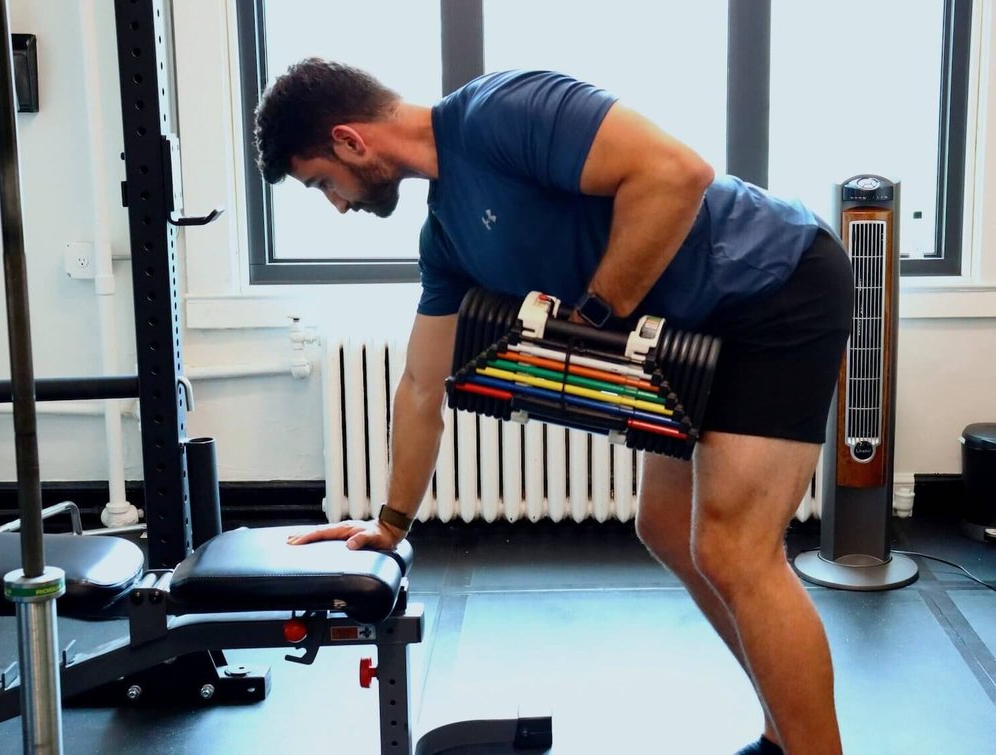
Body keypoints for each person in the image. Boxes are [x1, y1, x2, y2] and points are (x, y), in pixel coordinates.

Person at [254, 60, 854, 755]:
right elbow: (422, 386)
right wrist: (391, 524)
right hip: (699, 328)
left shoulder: (501, 111)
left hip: (774, 283)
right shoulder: (446, 238)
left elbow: (677, 173)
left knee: (735, 550)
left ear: (351, 140)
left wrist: (597, 316)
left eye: (323, 181)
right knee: (664, 524)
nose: (335, 202)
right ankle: (783, 730)